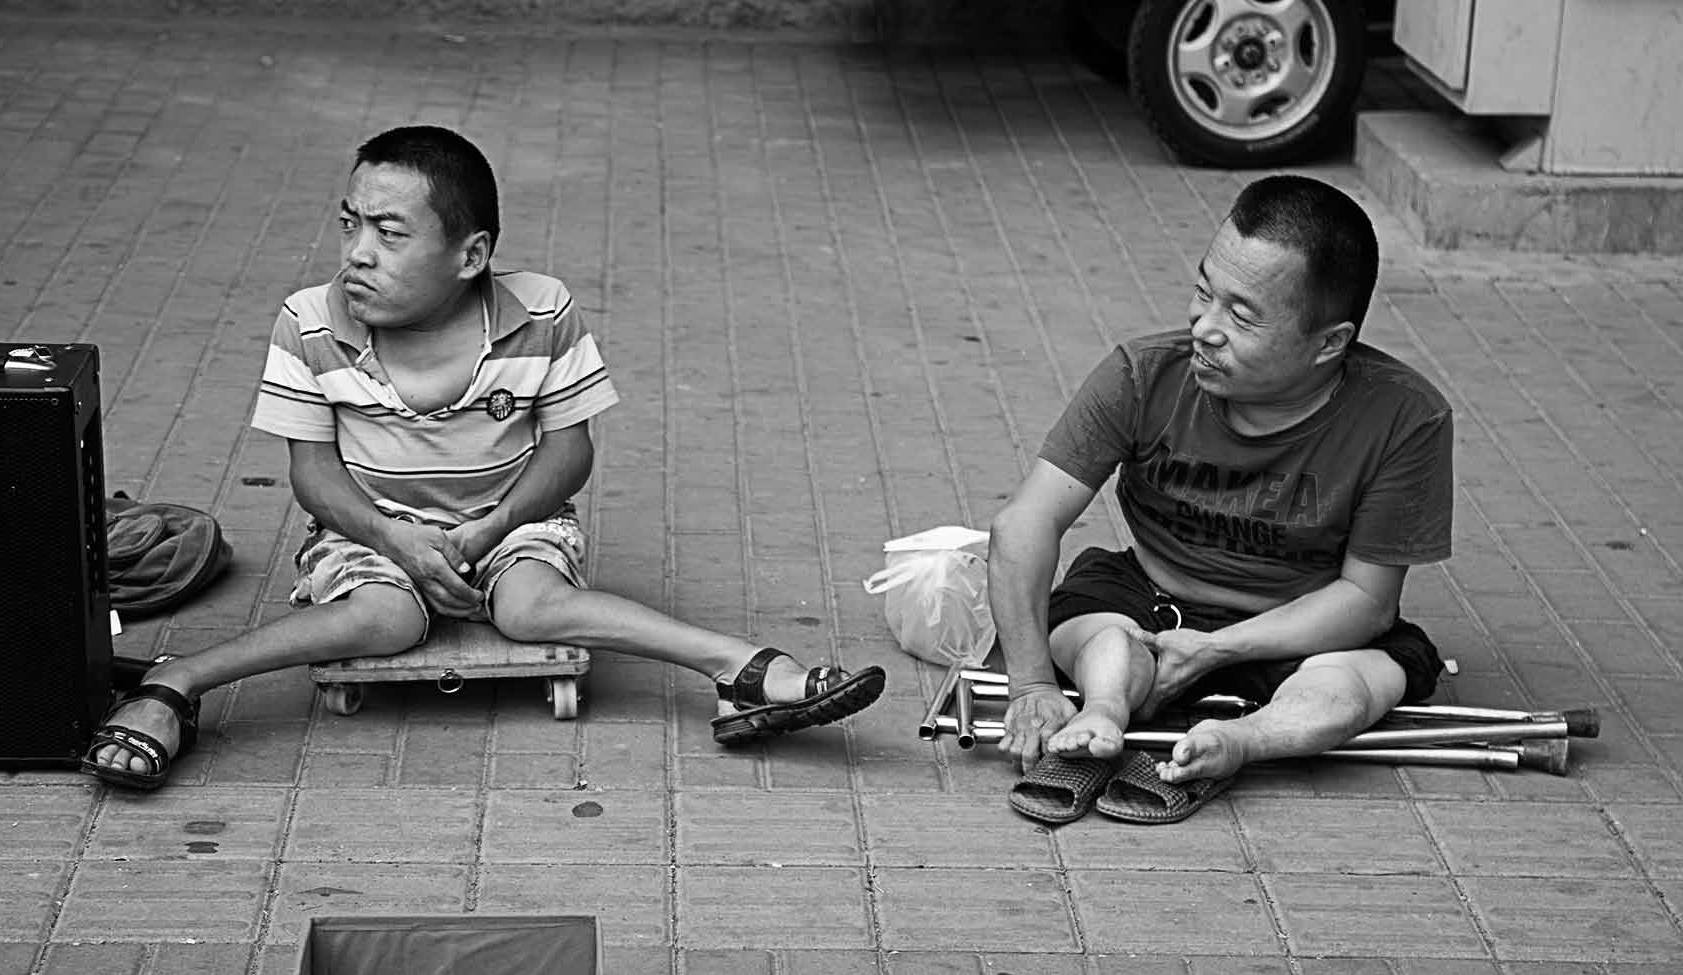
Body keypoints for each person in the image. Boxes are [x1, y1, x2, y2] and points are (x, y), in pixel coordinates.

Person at [82, 125, 883, 789]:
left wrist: (490, 527)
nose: (357, 253)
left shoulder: (542, 311)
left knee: (529, 607)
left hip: (513, 520)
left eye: (389, 233)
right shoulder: (308, 323)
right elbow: (313, 474)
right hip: (369, 531)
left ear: (470, 256)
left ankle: (741, 669)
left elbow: (570, 453)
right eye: (349, 222)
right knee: (385, 617)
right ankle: (175, 680)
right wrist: (398, 540)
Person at [988, 175, 1452, 824]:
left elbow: (1368, 600)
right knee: (1108, 641)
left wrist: (1218, 648)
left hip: (1298, 622)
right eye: (1204, 292)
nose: (1204, 328)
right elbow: (1024, 523)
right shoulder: (1143, 374)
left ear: (1329, 342)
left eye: (1241, 315)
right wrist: (1033, 683)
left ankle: (1243, 741)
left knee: (1357, 683)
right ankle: (1104, 709)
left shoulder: (1405, 417)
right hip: (1148, 597)